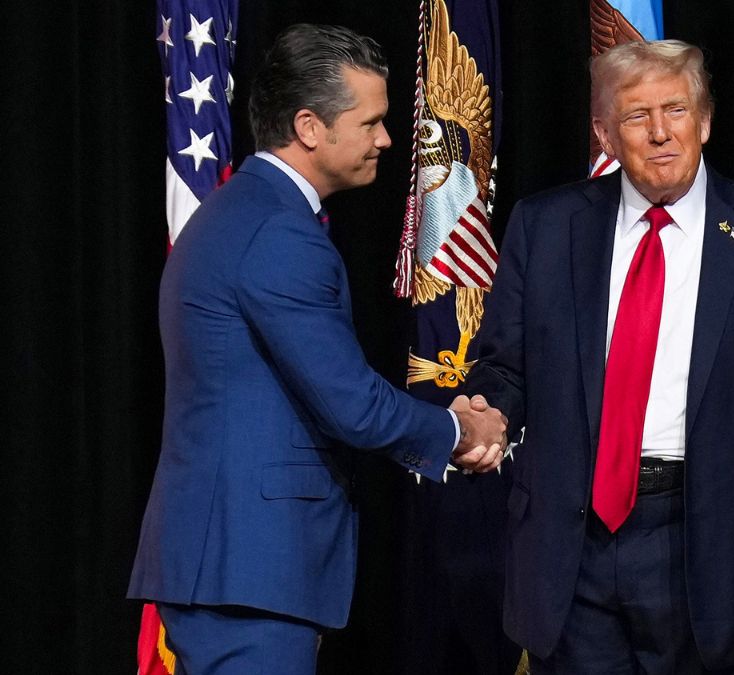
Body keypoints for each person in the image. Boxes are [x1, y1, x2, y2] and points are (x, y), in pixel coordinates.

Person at [127, 23, 506, 674]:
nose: (387, 140)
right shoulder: (277, 231)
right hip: (250, 571)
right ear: (309, 126)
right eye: (371, 123)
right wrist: (456, 429)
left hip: (235, 569)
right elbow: (350, 402)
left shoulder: (241, 212)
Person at [466, 39, 734, 674]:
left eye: (676, 109)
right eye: (638, 116)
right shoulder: (545, 227)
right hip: (572, 546)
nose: (661, 133)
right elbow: (504, 366)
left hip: (712, 549)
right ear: (604, 132)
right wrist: (484, 414)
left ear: (706, 120)